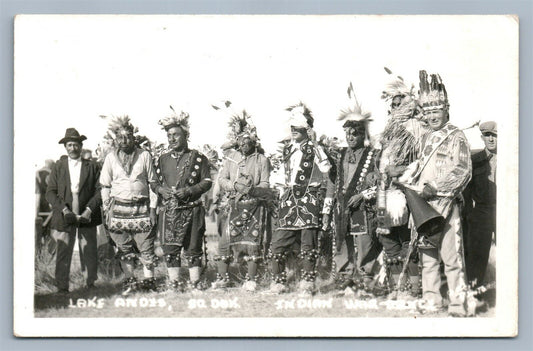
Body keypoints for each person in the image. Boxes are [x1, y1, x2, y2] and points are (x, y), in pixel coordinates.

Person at [398, 71, 473, 316]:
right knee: (428, 256)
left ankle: (458, 304)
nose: (432, 117)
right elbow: (418, 167)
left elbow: (462, 169)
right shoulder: (426, 139)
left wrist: (437, 188)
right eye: (428, 112)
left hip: (446, 204)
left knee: (451, 258)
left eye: (436, 112)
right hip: (424, 207)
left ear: (446, 111)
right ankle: (432, 301)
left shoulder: (456, 136)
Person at [322, 85, 381, 295]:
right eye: (347, 133)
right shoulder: (339, 155)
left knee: (364, 243)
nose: (350, 137)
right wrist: (327, 209)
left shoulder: (373, 155)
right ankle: (344, 279)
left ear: (362, 134)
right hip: (341, 206)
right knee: (341, 242)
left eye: (355, 133)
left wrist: (363, 195)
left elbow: (379, 182)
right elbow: (332, 182)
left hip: (363, 208)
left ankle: (367, 281)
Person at [268, 102, 331, 295]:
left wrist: (315, 143)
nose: (294, 130)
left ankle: (307, 285)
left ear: (307, 129)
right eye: (292, 127)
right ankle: (278, 283)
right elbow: (280, 176)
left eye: (298, 128)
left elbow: (326, 168)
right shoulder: (288, 149)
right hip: (288, 200)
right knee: (277, 244)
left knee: (308, 245)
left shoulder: (315, 148)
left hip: (308, 200)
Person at [377, 69, 430, 299]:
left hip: (408, 189)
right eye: (394, 102)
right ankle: (397, 287)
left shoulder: (418, 127)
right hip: (385, 190)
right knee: (387, 236)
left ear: (409, 102)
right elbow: (383, 159)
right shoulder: (389, 128)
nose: (396, 106)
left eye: (401, 101)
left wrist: (403, 171)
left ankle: (413, 288)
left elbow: (424, 159)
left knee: (408, 239)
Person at [152, 109, 212, 292]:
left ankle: (195, 284)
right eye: (169, 135)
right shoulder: (161, 160)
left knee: (193, 248)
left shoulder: (199, 158)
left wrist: (189, 191)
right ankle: (175, 284)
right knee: (170, 249)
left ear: (186, 135)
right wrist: (161, 190)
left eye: (175, 134)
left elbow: (207, 181)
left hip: (192, 210)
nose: (172, 138)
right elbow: (154, 183)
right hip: (169, 212)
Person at [213, 111, 272, 291]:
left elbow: (265, 184)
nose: (244, 143)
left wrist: (252, 190)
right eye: (241, 140)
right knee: (224, 243)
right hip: (233, 205)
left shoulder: (262, 160)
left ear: (254, 141)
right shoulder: (231, 159)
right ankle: (223, 278)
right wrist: (235, 186)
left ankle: (251, 279)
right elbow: (222, 180)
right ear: (237, 141)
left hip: (255, 207)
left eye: (247, 140)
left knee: (253, 243)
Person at [100, 116, 158, 295]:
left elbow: (153, 183)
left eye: (128, 137)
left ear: (134, 137)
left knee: (146, 246)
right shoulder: (110, 158)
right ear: (115, 140)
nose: (124, 141)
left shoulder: (144, 155)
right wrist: (107, 208)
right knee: (124, 247)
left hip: (142, 208)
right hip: (118, 209)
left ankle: (149, 282)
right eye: (120, 137)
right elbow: (105, 185)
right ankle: (130, 281)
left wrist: (153, 209)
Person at [45, 128, 102, 293]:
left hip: (87, 213)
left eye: (76, 145)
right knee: (63, 250)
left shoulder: (92, 166)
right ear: (65, 147)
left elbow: (100, 190)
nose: (72, 148)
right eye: (69, 145)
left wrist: (90, 210)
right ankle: (62, 286)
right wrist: (64, 209)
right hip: (64, 214)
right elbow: (50, 192)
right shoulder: (58, 166)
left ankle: (90, 283)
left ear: (81, 146)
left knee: (89, 249)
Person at [463, 121, 497, 290]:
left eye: (495, 135)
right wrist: (470, 214)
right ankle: (474, 288)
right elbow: (467, 192)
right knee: (477, 252)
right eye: (487, 135)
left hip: (505, 211)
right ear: (482, 137)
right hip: (482, 211)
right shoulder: (475, 160)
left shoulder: (513, 158)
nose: (491, 139)